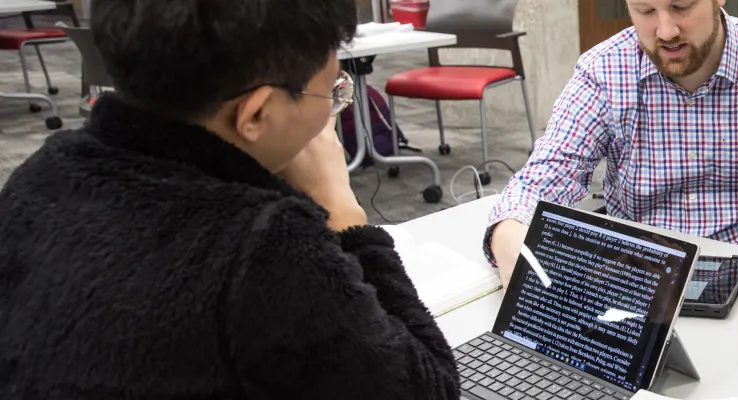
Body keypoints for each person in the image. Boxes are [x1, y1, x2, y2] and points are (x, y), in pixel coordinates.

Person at [0, 0, 458, 397]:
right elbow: (426, 388)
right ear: (256, 113)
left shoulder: (39, 176)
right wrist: (342, 212)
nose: (332, 112)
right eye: (335, 91)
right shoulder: (263, 247)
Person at [483, 0, 738, 283]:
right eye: (645, 10)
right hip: (639, 285)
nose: (665, 31)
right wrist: (511, 234)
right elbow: (542, 179)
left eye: (681, 6)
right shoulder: (604, 71)